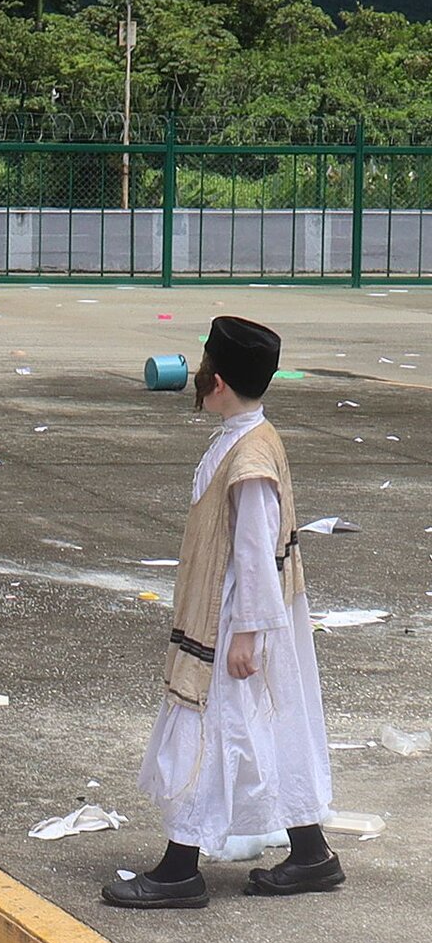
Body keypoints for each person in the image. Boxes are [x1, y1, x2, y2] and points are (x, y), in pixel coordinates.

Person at [104, 316, 338, 909]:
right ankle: (311, 855)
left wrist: (248, 635)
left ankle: (181, 868)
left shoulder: (249, 455)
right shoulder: (241, 436)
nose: (196, 369)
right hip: (237, 620)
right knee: (267, 727)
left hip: (236, 623)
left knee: (205, 729)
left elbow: (257, 554)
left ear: (220, 381)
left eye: (204, 362)